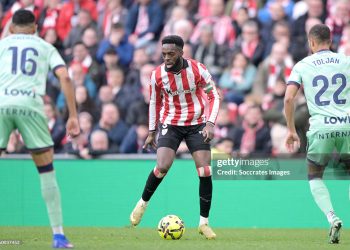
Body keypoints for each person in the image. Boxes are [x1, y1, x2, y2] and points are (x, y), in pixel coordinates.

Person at [0, 10, 80, 248]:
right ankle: (58, 236)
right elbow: (64, 76)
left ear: (11, 28)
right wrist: (73, 116)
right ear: (35, 27)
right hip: (31, 107)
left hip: (2, 104)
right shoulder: (45, 47)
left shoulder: (3, 45)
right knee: (46, 170)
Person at [130, 35, 220, 239]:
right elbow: (154, 102)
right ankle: (142, 203)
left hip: (197, 123)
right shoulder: (157, 75)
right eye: (163, 54)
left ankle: (203, 223)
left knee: (205, 170)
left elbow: (214, 95)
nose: (167, 58)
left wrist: (210, 123)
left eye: (171, 54)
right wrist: (152, 131)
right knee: (162, 166)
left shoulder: (198, 70)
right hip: (171, 124)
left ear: (181, 52)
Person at [284, 24, 348, 244]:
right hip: (348, 125)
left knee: (314, 176)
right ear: (330, 41)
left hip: (321, 129)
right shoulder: (346, 60)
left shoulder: (302, 65)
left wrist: (292, 130)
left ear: (311, 42)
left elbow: (288, 98)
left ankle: (332, 218)